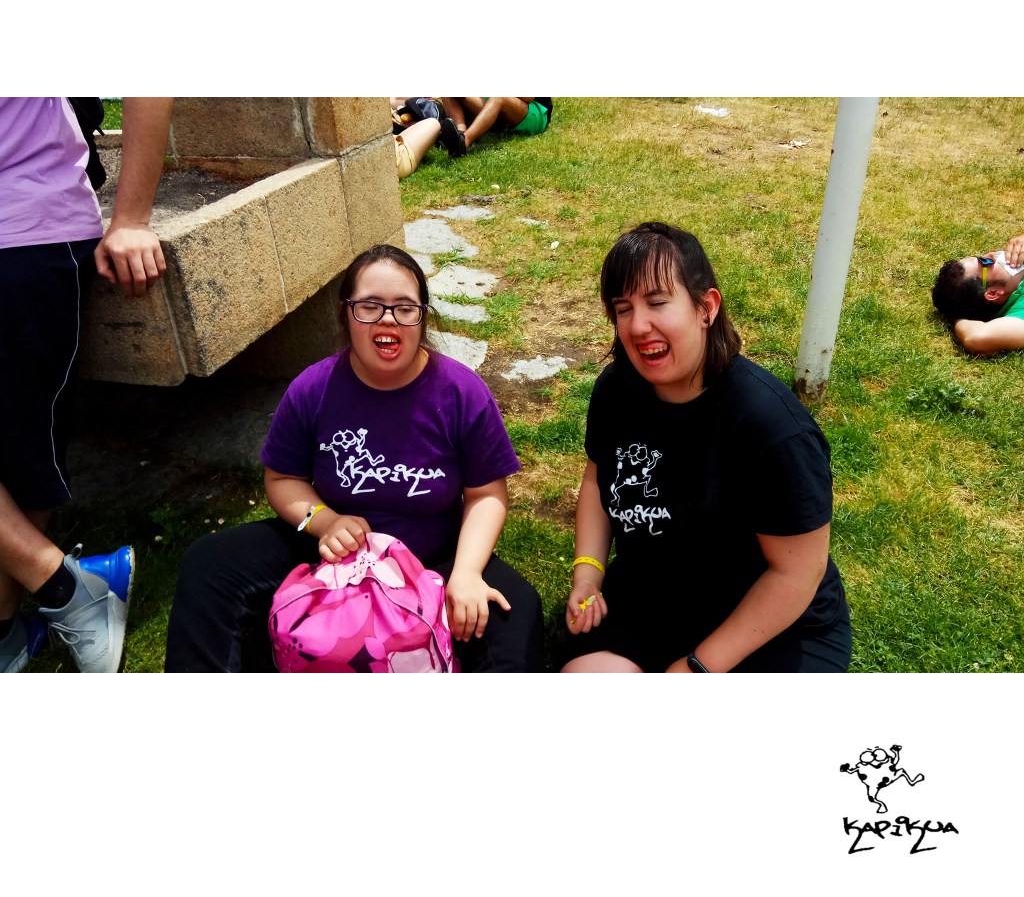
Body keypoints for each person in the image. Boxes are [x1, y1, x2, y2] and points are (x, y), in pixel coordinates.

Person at [165, 243, 544, 672]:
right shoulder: (313, 388)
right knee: (209, 563)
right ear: (346, 313)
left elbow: (486, 494)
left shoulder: (461, 392)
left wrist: (468, 572)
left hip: (431, 555)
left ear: (423, 317)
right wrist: (324, 521)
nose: (388, 319)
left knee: (516, 611)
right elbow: (282, 478)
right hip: (329, 551)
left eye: (405, 308)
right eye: (370, 306)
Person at [559, 221, 852, 673]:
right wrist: (588, 572)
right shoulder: (617, 390)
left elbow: (796, 573)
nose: (638, 326)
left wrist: (698, 667)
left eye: (658, 302)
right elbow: (599, 479)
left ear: (706, 307)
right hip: (650, 600)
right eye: (623, 308)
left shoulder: (773, 427)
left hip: (767, 625)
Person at [0, 96, 174, 673]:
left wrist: (132, 218)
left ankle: (9, 632)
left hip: (24, 231)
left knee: (22, 453)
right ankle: (67, 589)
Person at [931, 234, 1024, 354]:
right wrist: (957, 318)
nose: (991, 254)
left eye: (982, 257)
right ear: (993, 293)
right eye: (986, 262)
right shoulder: (1020, 311)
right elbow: (976, 337)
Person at [437, 97, 552, 158]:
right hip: (494, 107)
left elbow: (528, 98)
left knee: (498, 98)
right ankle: (459, 133)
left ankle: (464, 141)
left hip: (533, 111)